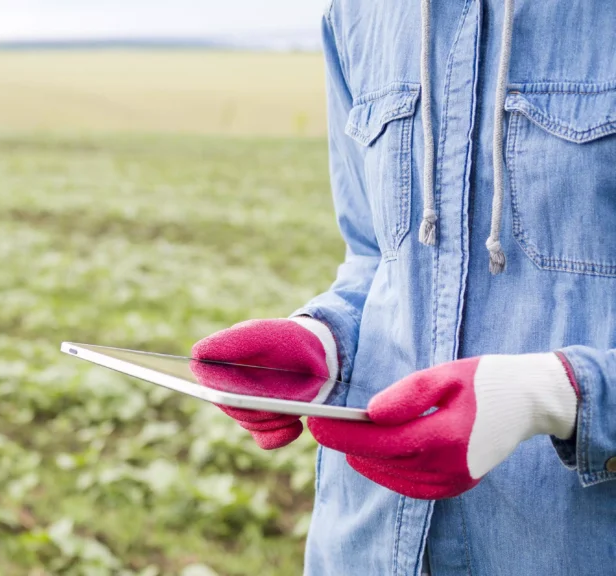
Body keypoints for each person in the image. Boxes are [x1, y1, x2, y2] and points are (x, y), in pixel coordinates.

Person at [192, 1, 616, 574]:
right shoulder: (356, 15)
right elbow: (374, 256)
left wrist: (551, 395)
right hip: (362, 546)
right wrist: (321, 338)